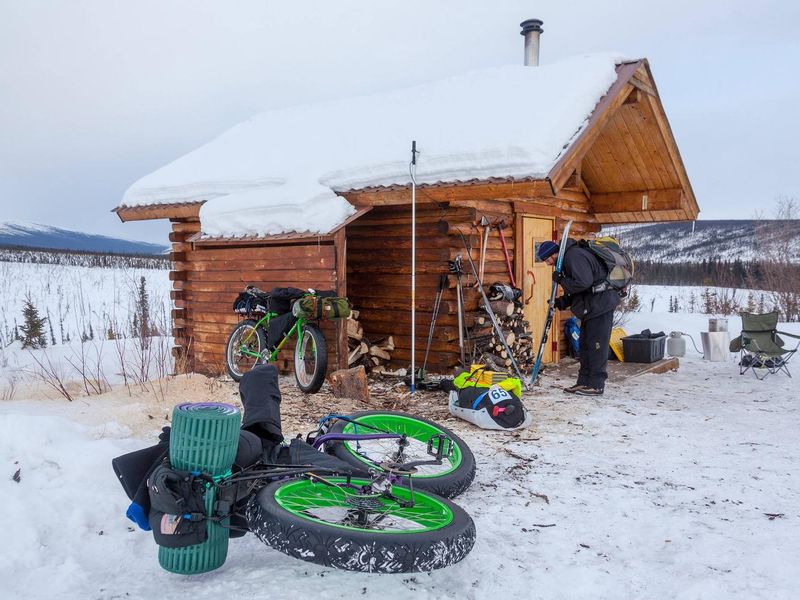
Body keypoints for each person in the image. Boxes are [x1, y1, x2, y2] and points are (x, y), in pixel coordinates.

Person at [536, 239, 622, 396]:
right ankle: (583, 382)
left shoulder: (574, 255)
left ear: (554, 253)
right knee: (585, 346)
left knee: (596, 346)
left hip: (600, 305)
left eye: (547, 259)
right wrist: (562, 302)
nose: (548, 263)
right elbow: (581, 288)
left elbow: (583, 282)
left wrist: (561, 280)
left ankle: (596, 385)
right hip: (591, 306)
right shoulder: (569, 259)